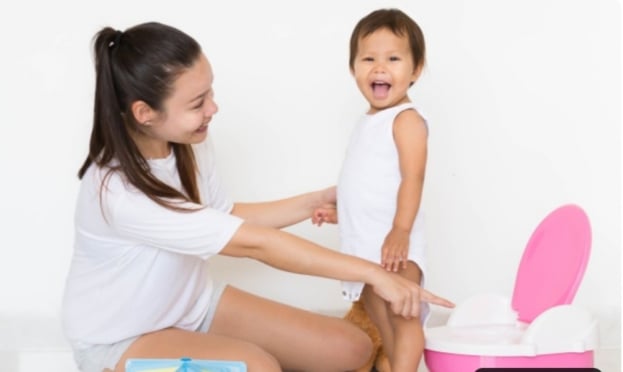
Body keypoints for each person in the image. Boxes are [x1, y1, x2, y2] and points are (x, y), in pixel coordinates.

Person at [61, 21, 453, 372]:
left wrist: (315, 200)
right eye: (198, 103)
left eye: (210, 91)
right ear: (145, 113)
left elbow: (223, 215)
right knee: (258, 367)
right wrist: (373, 274)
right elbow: (254, 244)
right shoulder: (116, 192)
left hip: (191, 308)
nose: (213, 108)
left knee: (351, 348)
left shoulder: (186, 143)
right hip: (119, 339)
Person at [313, 8, 433, 372]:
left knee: (402, 313)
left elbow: (413, 178)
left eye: (393, 59)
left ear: (415, 70)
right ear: (354, 68)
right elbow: (370, 185)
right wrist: (341, 215)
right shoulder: (368, 121)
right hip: (366, 244)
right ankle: (392, 364)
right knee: (380, 315)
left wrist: (400, 231)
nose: (380, 68)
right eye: (368, 59)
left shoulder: (406, 119)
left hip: (396, 244)